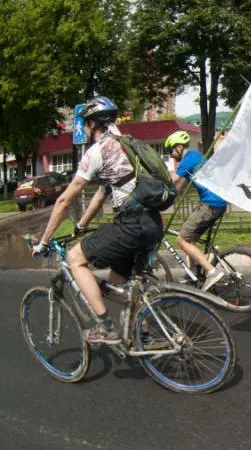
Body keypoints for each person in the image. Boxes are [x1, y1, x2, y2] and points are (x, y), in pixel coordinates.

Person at [32, 96, 164, 344]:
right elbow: (101, 195)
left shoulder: (97, 151)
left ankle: (106, 328)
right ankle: (144, 334)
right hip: (152, 222)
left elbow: (63, 201)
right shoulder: (127, 145)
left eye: (85, 124)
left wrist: (44, 240)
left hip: (132, 224)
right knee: (118, 284)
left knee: (75, 258)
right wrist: (81, 225)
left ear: (92, 124)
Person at [166, 130, 228, 291]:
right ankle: (193, 272)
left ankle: (212, 271)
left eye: (171, 151)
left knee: (182, 239)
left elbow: (174, 179)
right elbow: (179, 187)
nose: (171, 155)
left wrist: (169, 164)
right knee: (190, 237)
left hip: (210, 203)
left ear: (179, 147)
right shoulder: (193, 158)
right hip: (215, 203)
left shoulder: (189, 158)